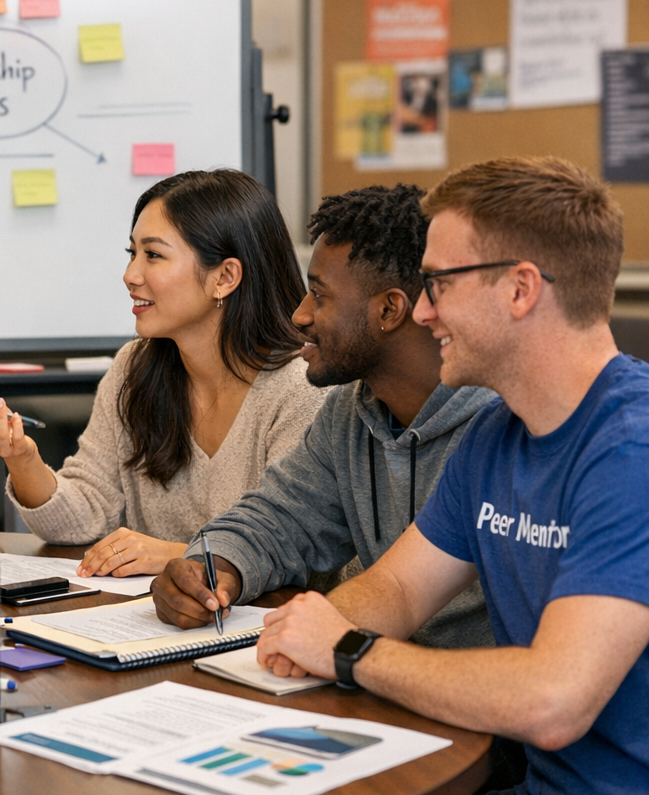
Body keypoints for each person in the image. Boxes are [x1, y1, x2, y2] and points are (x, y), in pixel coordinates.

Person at [260, 158, 649, 795]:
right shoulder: (497, 435)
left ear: (521, 288)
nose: (423, 310)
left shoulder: (632, 452)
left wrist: (349, 652)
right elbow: (402, 588)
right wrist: (316, 632)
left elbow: (553, 701)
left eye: (439, 284)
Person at [152, 183, 494, 648]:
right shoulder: (351, 412)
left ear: (390, 309)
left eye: (320, 295)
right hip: (378, 680)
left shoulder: (499, 426)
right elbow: (278, 521)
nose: (299, 315)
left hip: (467, 693)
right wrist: (212, 569)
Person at [0, 169, 327, 575]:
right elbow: (85, 516)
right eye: (132, 253)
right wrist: (24, 460)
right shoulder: (133, 369)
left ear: (224, 277)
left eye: (153, 255)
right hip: (147, 625)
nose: (130, 276)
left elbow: (295, 548)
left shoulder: (301, 386)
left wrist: (179, 554)